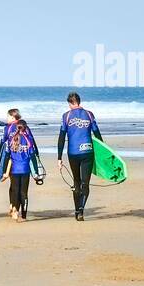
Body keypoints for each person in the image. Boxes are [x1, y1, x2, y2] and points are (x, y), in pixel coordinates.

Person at [57, 91, 103, 221]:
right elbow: (97, 134)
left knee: (76, 182)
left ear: (70, 103)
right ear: (79, 101)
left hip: (73, 153)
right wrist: (104, 151)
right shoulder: (89, 114)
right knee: (85, 183)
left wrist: (59, 158)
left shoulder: (66, 116)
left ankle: (77, 210)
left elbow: (61, 138)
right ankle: (81, 208)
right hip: (88, 152)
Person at [0, 118, 41, 221]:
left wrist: (4, 171)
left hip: (14, 170)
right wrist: (36, 172)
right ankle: (24, 215)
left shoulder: (11, 139)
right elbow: (32, 157)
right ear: (25, 128)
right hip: (25, 170)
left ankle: (15, 211)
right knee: (24, 193)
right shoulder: (28, 140)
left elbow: (7, 157)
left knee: (15, 192)